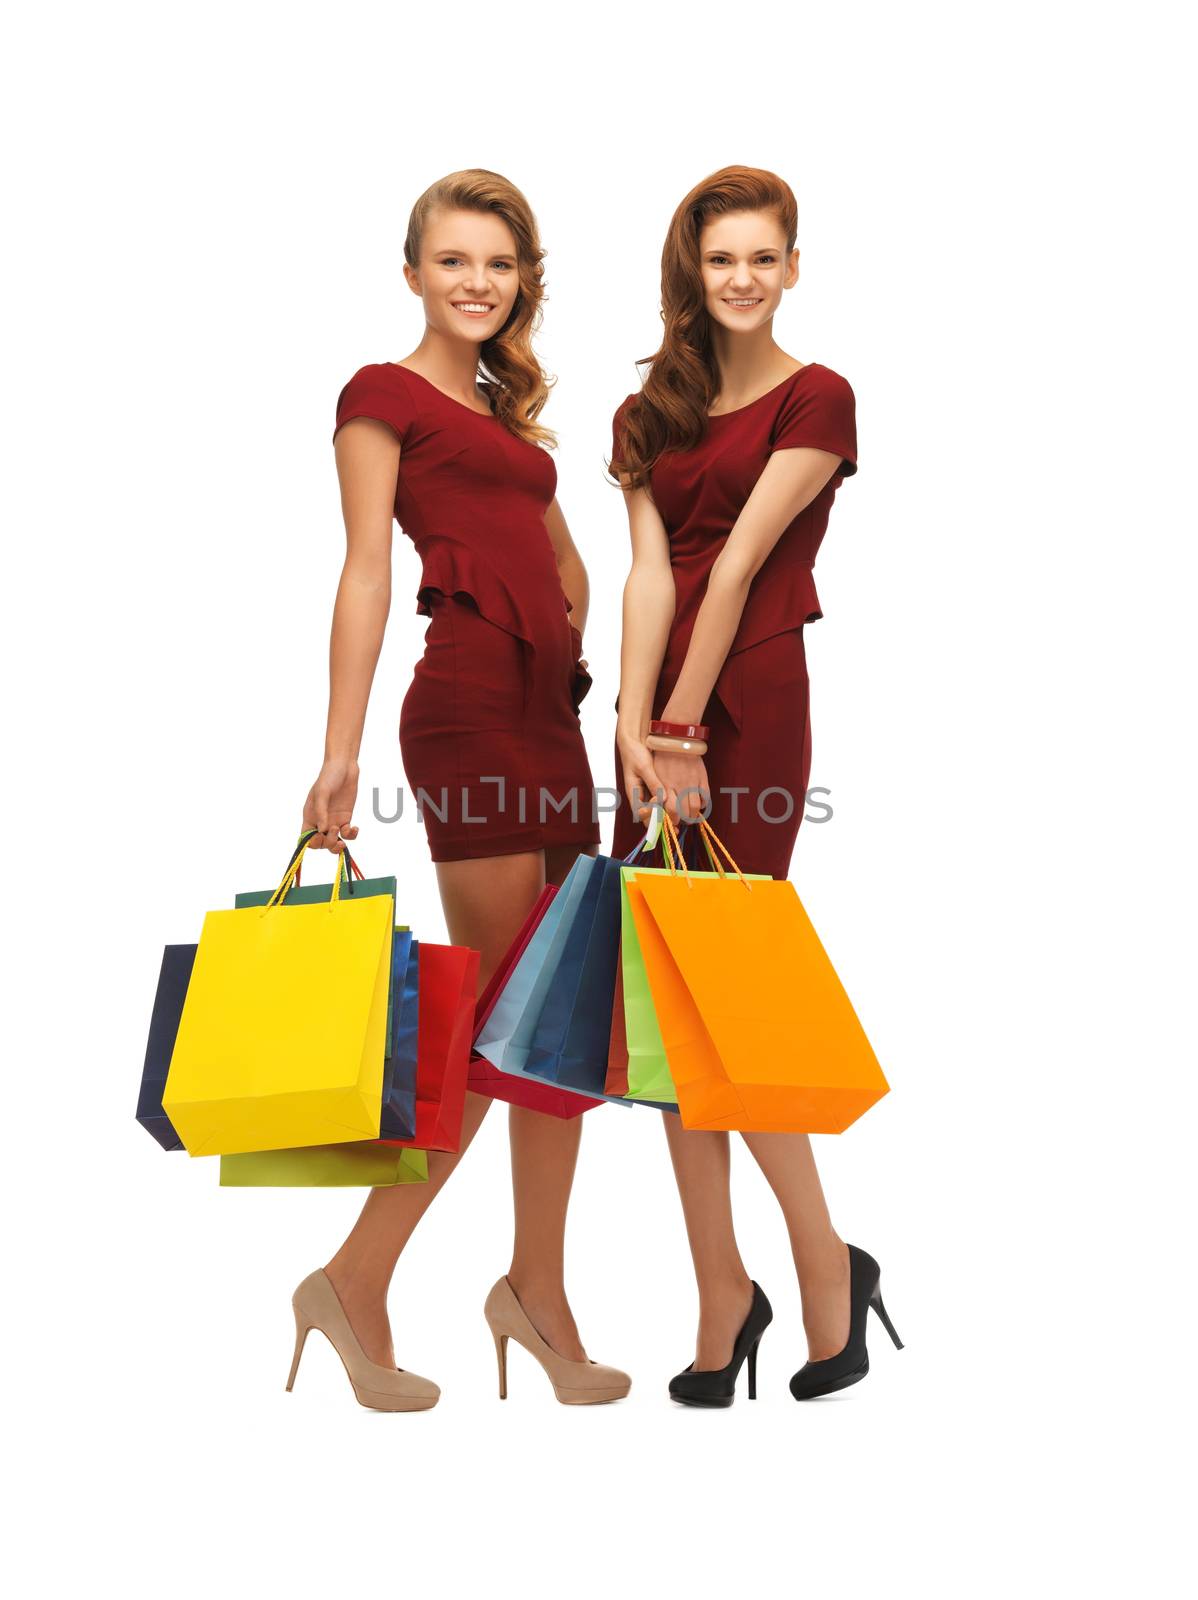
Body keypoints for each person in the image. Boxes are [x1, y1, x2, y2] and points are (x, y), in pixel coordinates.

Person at [288, 169, 629, 1411]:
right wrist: (340, 748)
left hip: (549, 719)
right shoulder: (380, 396)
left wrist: (587, 654)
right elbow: (366, 572)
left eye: (499, 263)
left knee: (569, 1017)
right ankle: (353, 1277)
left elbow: (569, 567)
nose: (478, 281)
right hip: (469, 717)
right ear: (413, 271)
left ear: (520, 279)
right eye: (454, 260)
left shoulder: (506, 421)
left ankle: (537, 1290)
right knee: (500, 1019)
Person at [610, 165, 901, 1406]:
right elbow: (651, 579)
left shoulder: (817, 397)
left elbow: (731, 567)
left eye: (761, 258)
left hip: (747, 699)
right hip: (655, 714)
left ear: (791, 268)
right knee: (669, 1016)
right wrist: (628, 726)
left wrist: (682, 723)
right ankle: (721, 1291)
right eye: (719, 258)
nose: (740, 278)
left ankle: (822, 1261)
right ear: (693, 270)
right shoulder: (647, 415)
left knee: (729, 993)